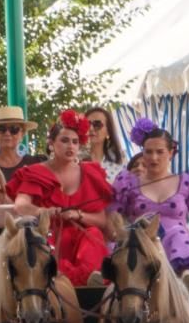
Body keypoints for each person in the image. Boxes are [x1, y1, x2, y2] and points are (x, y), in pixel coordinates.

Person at [110, 117, 189, 323]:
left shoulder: (186, 182)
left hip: (179, 245)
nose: (153, 157)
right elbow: (115, 216)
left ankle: (184, 283)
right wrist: (120, 232)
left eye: (160, 152)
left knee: (177, 232)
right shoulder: (128, 183)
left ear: (171, 153)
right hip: (141, 246)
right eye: (148, 152)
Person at [8, 110, 114, 286]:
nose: (70, 146)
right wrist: (45, 211)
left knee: (93, 234)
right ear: (51, 144)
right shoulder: (36, 172)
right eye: (64, 141)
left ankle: (91, 281)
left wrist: (77, 215)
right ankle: (57, 279)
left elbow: (102, 219)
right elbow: (21, 206)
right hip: (47, 234)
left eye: (75, 142)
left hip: (82, 238)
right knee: (44, 242)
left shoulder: (90, 172)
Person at [0, 106, 44, 177]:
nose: (7, 133)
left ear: (22, 134)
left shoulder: (34, 163)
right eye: (1, 129)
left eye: (14, 129)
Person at [83, 106, 126, 182]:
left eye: (97, 124)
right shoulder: (75, 157)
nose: (91, 128)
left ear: (108, 131)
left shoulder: (119, 159)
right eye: (87, 124)